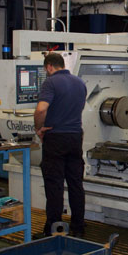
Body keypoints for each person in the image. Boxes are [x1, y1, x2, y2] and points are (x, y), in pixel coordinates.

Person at [34, 52, 87, 237]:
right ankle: (78, 228)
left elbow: (41, 109)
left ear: (49, 66)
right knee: (75, 184)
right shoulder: (80, 83)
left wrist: (38, 128)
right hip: (75, 138)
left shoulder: (50, 82)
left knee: (54, 185)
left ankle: (53, 230)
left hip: (55, 138)